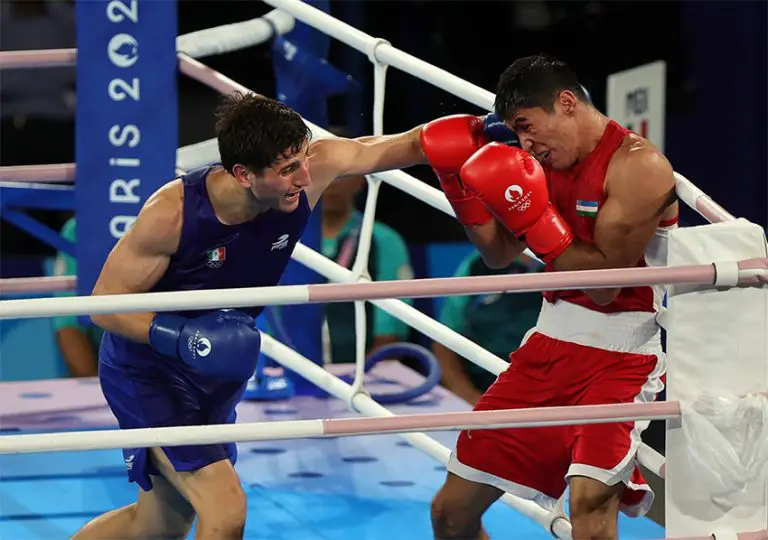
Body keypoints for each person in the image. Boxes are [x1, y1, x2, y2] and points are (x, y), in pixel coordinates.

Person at [72, 92, 428, 540]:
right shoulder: (173, 213)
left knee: (160, 523)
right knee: (226, 513)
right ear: (243, 174)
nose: (304, 177)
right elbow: (104, 304)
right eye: (286, 170)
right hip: (149, 372)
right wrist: (180, 337)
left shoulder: (310, 171)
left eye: (301, 159)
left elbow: (407, 144)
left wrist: (484, 130)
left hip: (217, 371)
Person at [421, 54, 678, 539]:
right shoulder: (540, 161)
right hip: (546, 346)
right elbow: (497, 253)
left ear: (566, 103)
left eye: (527, 126)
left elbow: (606, 289)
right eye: (515, 134)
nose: (524, 143)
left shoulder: (638, 166)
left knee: (590, 505)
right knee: (450, 513)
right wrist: (459, 184)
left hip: (620, 358)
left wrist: (538, 221)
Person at [320, 174, 413, 363]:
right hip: (290, 368)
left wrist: (359, 379)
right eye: (322, 174)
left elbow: (390, 334)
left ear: (360, 181)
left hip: (365, 372)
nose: (331, 184)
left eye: (341, 175)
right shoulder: (283, 240)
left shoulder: (385, 240)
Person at [434, 250, 543, 405]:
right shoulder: (476, 264)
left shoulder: (569, 265)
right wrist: (469, 397)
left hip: (550, 394)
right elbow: (444, 340)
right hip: (481, 387)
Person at [49, 216, 102, 377]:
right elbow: (68, 326)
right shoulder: (79, 228)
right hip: (109, 373)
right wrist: (98, 397)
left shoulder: (172, 219)